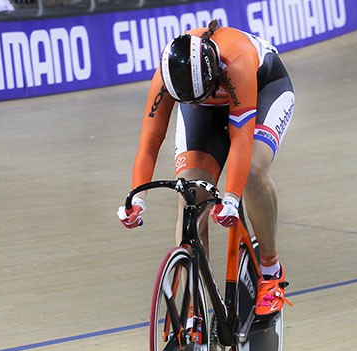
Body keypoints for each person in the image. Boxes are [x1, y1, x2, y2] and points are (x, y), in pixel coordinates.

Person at [117, 20, 295, 315]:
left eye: (197, 98)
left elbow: (240, 138)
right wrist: (137, 197)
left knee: (252, 171)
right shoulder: (168, 73)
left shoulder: (237, 60)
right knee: (190, 194)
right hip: (207, 97)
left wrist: (230, 199)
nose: (194, 105)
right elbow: (150, 138)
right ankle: (192, 308)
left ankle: (270, 269)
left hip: (263, 89)